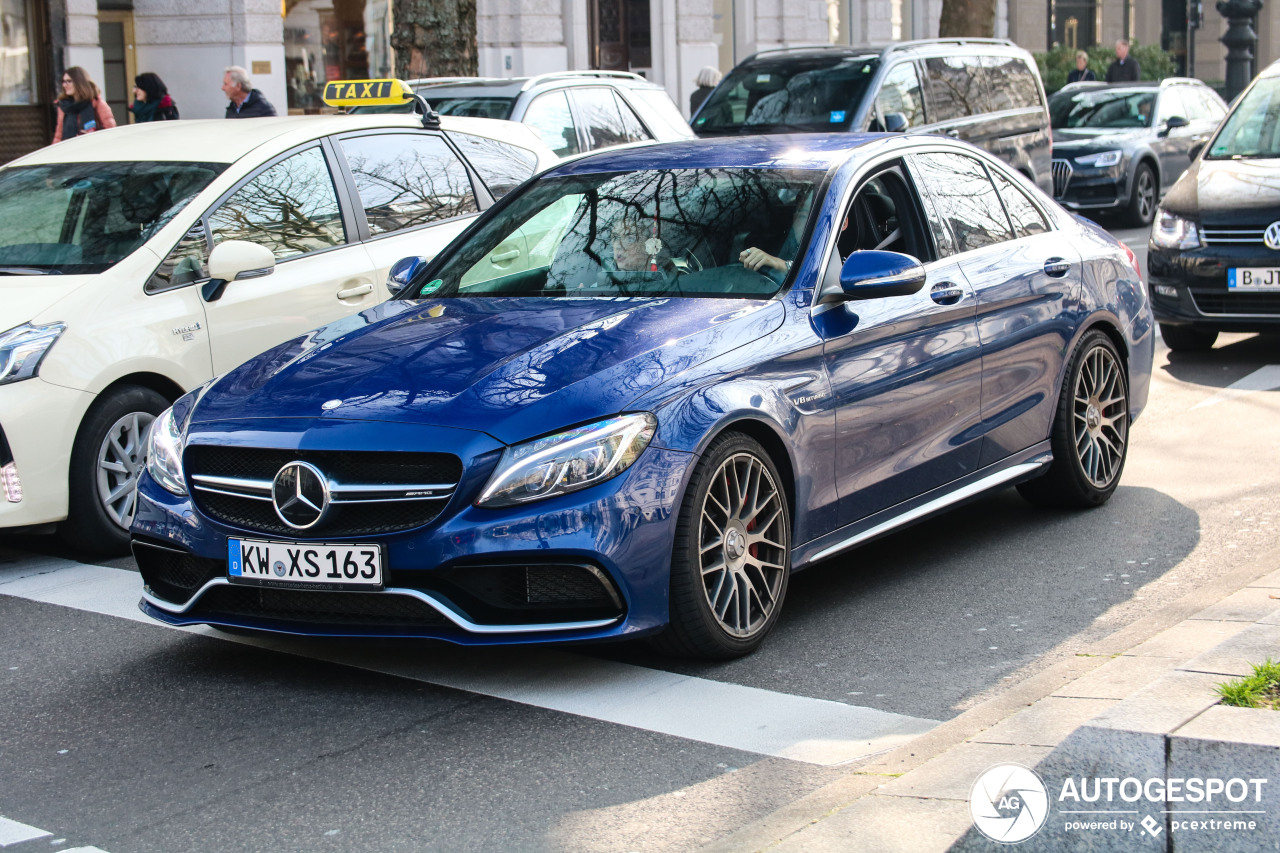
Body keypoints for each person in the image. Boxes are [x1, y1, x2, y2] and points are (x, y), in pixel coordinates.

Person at [52, 66, 116, 143]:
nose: (64, 85)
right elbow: (59, 135)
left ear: (79, 82)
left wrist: (92, 134)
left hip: (93, 148)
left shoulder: (98, 103)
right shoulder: (64, 106)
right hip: (69, 150)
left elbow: (111, 131)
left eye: (69, 81)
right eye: (63, 81)